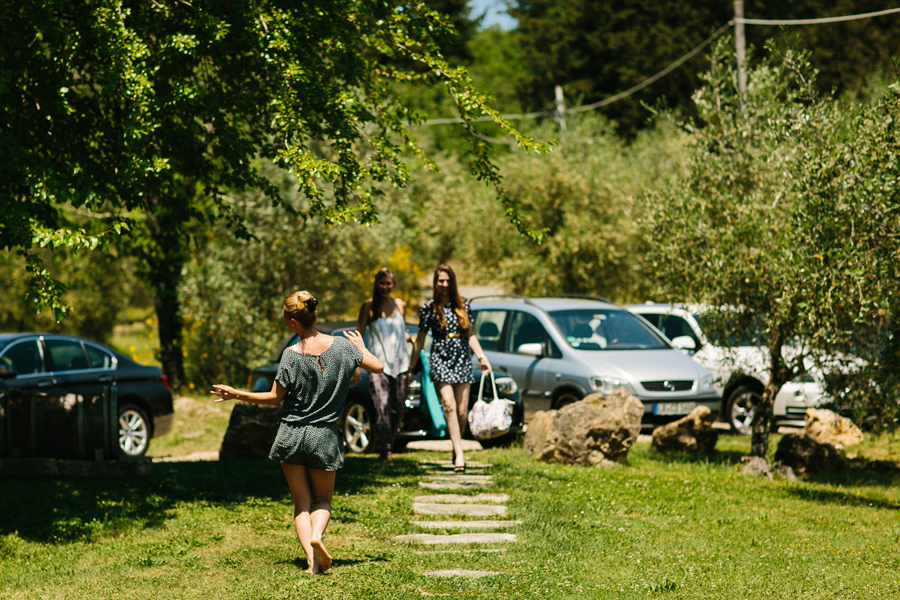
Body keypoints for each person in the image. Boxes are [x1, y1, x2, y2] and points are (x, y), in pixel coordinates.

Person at [210, 291, 383, 575]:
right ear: (315, 315)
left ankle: (311, 562)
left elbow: (273, 398)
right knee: (323, 501)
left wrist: (236, 393)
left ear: (292, 322)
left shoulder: (291, 355)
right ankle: (318, 536)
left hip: (291, 434)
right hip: (324, 436)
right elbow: (379, 366)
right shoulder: (342, 346)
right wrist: (361, 348)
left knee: (301, 504)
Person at [407, 265, 491, 473]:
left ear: (452, 282)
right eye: (440, 281)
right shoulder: (428, 308)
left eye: (447, 280)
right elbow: (420, 341)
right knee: (449, 405)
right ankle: (460, 453)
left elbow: (470, 334)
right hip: (440, 357)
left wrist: (482, 357)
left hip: (462, 357)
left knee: (462, 411)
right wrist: (411, 368)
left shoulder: (464, 304)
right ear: (435, 283)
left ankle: (456, 445)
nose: (443, 284)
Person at [353, 268, 410, 465]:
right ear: (376, 284)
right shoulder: (368, 306)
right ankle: (386, 451)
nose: (385, 287)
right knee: (382, 406)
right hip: (378, 365)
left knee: (398, 409)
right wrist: (356, 366)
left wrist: (410, 340)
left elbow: (401, 332)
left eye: (388, 283)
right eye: (381, 282)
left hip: (401, 364)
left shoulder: (400, 305)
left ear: (393, 285)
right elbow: (358, 335)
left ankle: (387, 443)